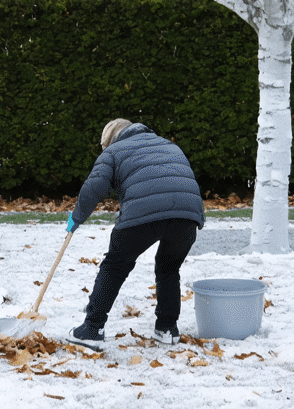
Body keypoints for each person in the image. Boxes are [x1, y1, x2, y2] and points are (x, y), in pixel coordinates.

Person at [65, 118, 205, 349]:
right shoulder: (168, 145)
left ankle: (91, 329)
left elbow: (93, 187)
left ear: (110, 141)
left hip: (143, 214)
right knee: (169, 268)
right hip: (187, 214)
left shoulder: (113, 151)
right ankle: (167, 329)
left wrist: (77, 217)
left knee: (115, 266)